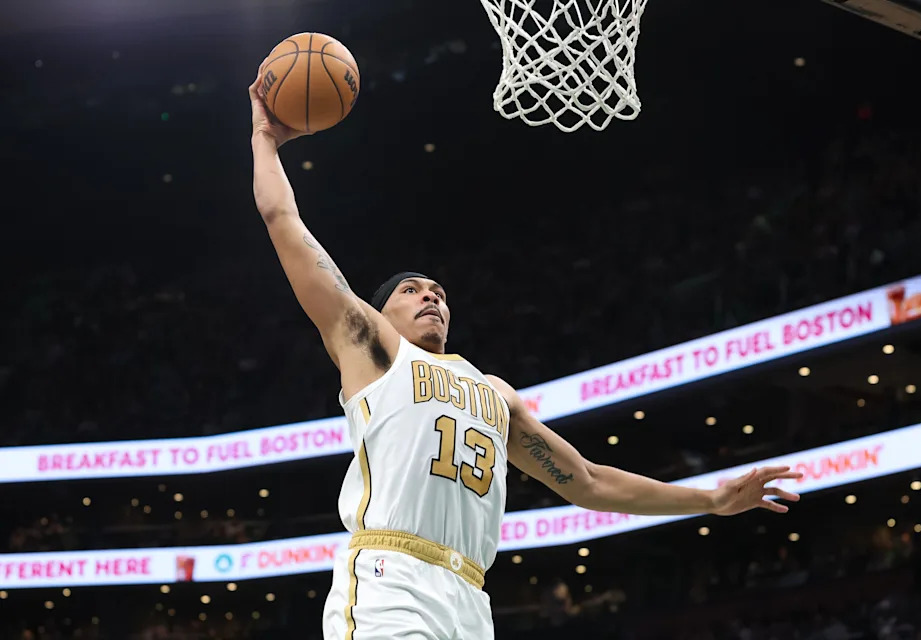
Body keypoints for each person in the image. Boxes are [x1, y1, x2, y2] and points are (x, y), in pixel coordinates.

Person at [247, 70, 803, 640]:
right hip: (391, 581)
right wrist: (265, 140)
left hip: (469, 598)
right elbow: (284, 222)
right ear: (378, 312)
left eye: (437, 291)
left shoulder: (495, 394)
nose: (430, 296)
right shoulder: (373, 350)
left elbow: (586, 480)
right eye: (411, 290)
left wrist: (710, 499)